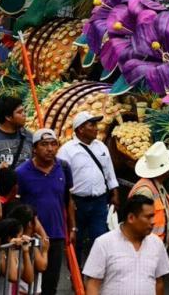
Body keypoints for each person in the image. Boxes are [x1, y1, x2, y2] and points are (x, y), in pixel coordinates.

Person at [15, 129, 75, 295]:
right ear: (34, 148)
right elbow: (16, 205)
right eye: (44, 144)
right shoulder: (21, 173)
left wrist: (72, 228)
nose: (50, 148)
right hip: (31, 238)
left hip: (56, 236)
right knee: (29, 287)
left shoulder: (63, 167)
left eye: (53, 144)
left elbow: (68, 199)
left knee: (50, 286)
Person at [56, 111, 119, 263]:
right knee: (76, 239)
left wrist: (115, 193)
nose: (96, 128)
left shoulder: (101, 147)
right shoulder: (67, 150)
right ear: (80, 129)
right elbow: (61, 180)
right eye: (92, 125)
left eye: (96, 124)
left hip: (99, 202)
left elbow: (109, 173)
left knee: (100, 239)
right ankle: (77, 276)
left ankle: (95, 275)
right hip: (77, 204)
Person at [83, 195, 169, 295]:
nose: (153, 222)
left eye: (153, 216)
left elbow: (159, 282)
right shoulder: (103, 243)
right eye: (148, 217)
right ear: (131, 218)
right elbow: (93, 284)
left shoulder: (157, 244)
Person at [128, 142, 169, 263]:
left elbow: (164, 217)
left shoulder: (158, 186)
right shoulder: (145, 191)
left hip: (155, 249)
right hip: (145, 252)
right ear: (165, 171)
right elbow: (135, 226)